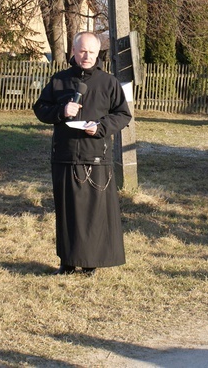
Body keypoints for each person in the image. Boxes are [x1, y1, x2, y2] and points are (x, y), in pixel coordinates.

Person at [33, 32, 132, 274]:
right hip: (65, 156)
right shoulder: (59, 80)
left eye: (91, 51)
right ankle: (67, 262)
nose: (86, 56)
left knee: (93, 214)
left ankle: (90, 263)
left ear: (98, 53)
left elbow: (123, 115)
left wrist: (100, 127)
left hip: (96, 157)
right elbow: (40, 109)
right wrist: (61, 110)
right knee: (67, 213)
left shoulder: (108, 83)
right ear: (74, 52)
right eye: (81, 51)